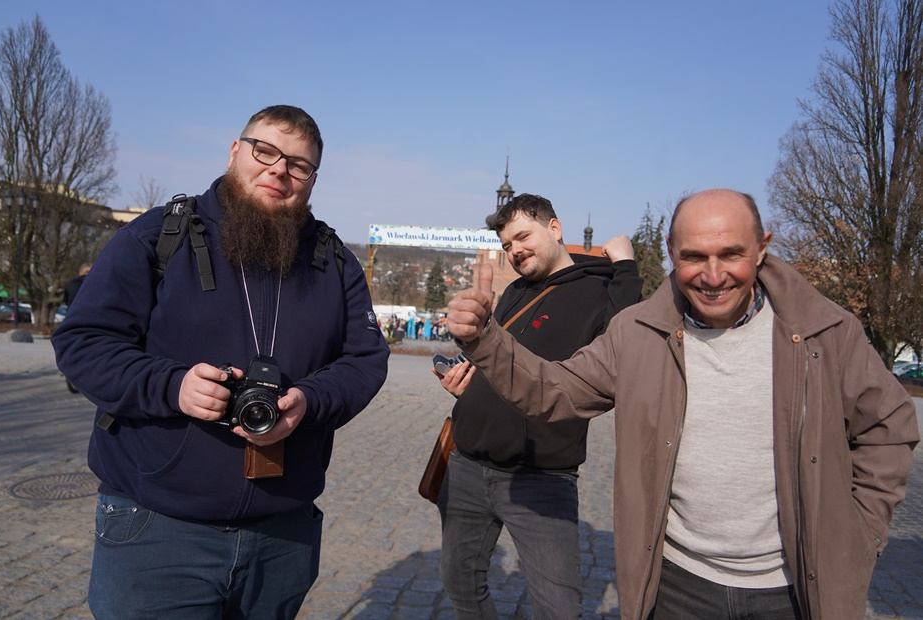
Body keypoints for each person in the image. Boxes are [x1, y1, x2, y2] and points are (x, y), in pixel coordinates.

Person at [446, 188, 919, 620]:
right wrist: (483, 339)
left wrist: (861, 533)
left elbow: (890, 425)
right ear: (673, 253)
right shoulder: (637, 333)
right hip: (677, 588)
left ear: (761, 248)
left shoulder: (826, 331)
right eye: (694, 256)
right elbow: (555, 390)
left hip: (793, 590)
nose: (713, 275)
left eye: (730, 254)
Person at [52, 105, 389, 619]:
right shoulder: (157, 236)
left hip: (282, 538)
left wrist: (310, 401)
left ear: (313, 180)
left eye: (299, 165)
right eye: (265, 151)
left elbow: (365, 360)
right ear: (235, 152)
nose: (279, 170)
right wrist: (172, 386)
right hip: (157, 531)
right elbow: (83, 341)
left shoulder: (334, 260)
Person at [434, 193, 643, 618]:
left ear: (555, 228)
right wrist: (466, 388)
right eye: (507, 245)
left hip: (542, 477)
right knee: (459, 583)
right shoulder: (514, 291)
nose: (515, 250)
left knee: (558, 608)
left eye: (523, 237)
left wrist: (626, 266)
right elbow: (500, 361)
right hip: (468, 464)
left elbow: (629, 344)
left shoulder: (599, 291)